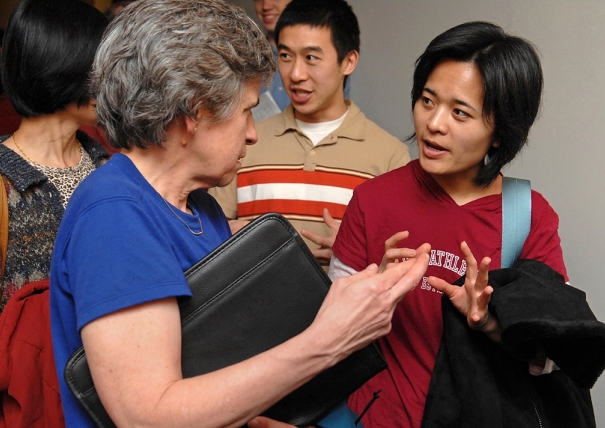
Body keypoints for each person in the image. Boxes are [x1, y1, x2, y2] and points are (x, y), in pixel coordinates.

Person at [48, 1, 429, 426]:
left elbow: (215, 369)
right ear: (194, 111)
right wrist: (327, 341)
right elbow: (150, 417)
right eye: (246, 110)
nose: (252, 133)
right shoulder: (115, 216)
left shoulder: (200, 204)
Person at [330, 21, 569, 427]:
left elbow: (555, 359)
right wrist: (373, 294)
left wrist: (492, 322)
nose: (434, 124)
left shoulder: (528, 216)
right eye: (427, 101)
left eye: (460, 112)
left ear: (500, 132)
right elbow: (329, 338)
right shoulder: (373, 200)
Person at [211, 0, 410, 266]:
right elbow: (209, 237)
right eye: (285, 56)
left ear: (348, 61)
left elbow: (399, 261)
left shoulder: (390, 156)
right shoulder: (244, 141)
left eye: (311, 58)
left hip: (345, 307)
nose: (295, 74)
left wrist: (355, 253)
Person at [0, 0, 109, 312]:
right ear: (63, 66)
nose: (113, 80)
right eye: (100, 65)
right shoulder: (4, 182)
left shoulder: (111, 168)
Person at [252, 0, 350, 117]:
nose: (266, 6)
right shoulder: (246, 57)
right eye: (285, 56)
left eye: (310, 57)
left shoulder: (334, 57)